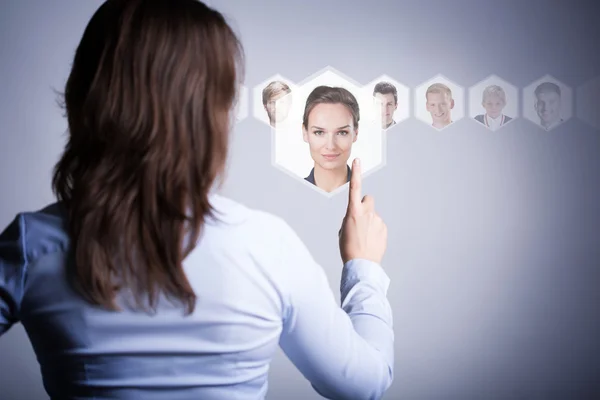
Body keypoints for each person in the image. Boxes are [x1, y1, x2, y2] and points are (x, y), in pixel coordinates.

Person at [0, 1, 394, 400]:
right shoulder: (268, 247)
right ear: (212, 115)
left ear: (84, 97)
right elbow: (363, 385)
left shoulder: (33, 245)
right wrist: (363, 267)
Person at [302, 86, 359, 193]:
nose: (331, 146)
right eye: (319, 132)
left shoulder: (374, 196)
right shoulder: (289, 196)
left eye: (342, 132)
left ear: (355, 133)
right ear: (305, 133)